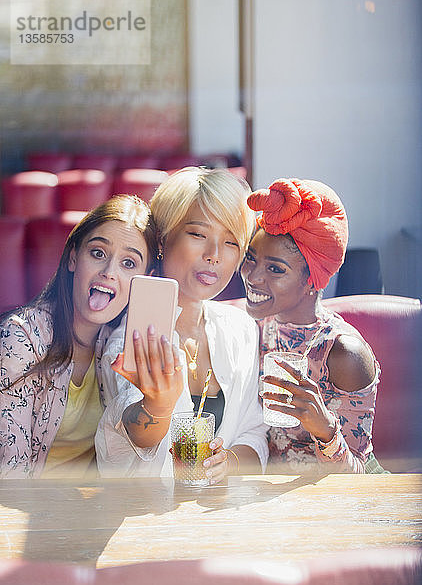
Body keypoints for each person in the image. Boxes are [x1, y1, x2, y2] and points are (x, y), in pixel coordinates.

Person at [96, 167, 269, 482]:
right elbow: (133, 432)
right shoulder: (131, 338)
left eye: (231, 242)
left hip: (221, 517)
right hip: (145, 517)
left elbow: (255, 433)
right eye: (198, 234)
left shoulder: (241, 328)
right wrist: (157, 405)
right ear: (163, 239)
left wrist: (229, 462)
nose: (214, 255)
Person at [0, 194, 182, 478]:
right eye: (98, 253)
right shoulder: (21, 337)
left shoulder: (121, 341)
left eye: (129, 263)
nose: (109, 272)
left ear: (145, 278)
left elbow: (132, 446)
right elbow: (10, 475)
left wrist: (159, 402)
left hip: (91, 507)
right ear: (73, 258)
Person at [241, 178, 380, 474]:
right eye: (250, 259)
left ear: (311, 282)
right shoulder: (251, 326)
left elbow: (362, 480)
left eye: (275, 269)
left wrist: (326, 431)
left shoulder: (343, 352)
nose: (252, 277)